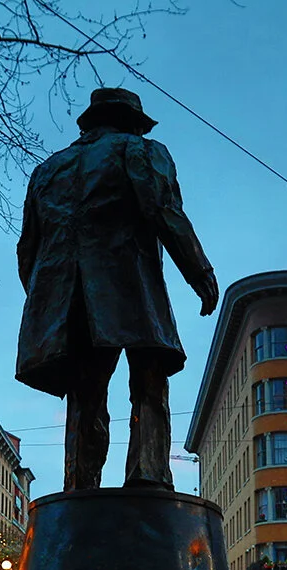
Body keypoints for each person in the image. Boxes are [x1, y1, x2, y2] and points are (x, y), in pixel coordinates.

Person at [16, 88, 219, 491]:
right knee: (149, 379)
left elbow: (28, 251)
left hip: (65, 297)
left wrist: (49, 302)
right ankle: (148, 474)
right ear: (132, 122)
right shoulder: (140, 151)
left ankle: (79, 483)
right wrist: (200, 273)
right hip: (129, 285)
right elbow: (165, 212)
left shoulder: (47, 171)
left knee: (85, 395)